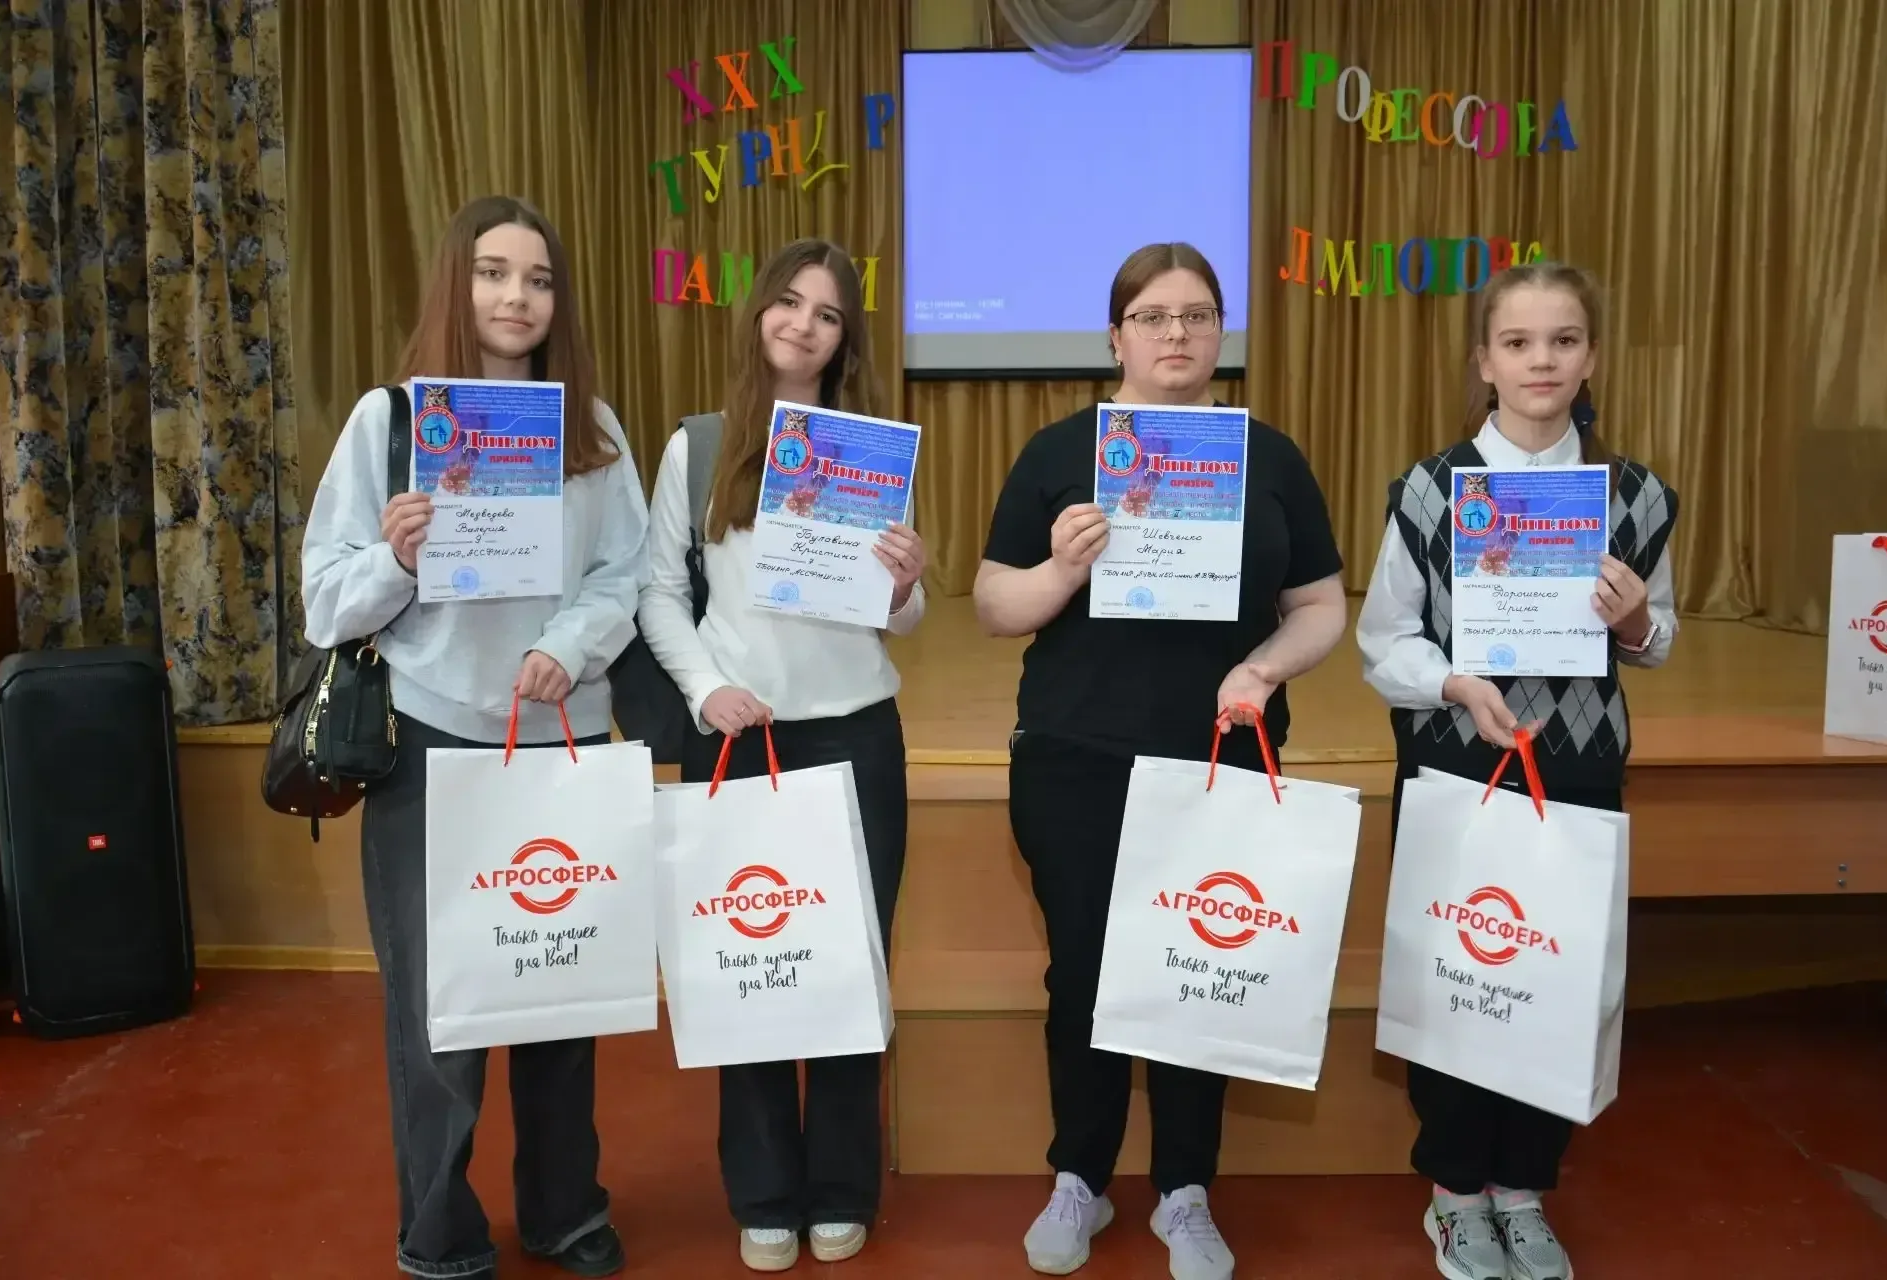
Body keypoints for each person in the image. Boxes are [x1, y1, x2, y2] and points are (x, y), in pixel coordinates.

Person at [973, 242, 1349, 1280]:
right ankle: (1080, 1175)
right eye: (1152, 316)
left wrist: (1263, 669)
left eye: (1196, 315)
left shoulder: (1270, 458)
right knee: (1083, 973)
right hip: (1076, 754)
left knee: (1203, 975)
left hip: (1221, 754)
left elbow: (1322, 604)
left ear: (1220, 331)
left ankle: (1185, 1190)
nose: (1175, 333)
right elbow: (994, 603)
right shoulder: (1059, 451)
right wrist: (1061, 569)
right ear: (1115, 337)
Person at [303, 195, 650, 1280]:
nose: (516, 297)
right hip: (430, 741)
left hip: (560, 739)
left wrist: (568, 645)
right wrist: (396, 559)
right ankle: (440, 1233)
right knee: (436, 1009)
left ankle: (564, 1208)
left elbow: (626, 575)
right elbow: (324, 600)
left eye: (538, 280)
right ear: (457, 285)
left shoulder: (594, 433)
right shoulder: (391, 422)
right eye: (494, 273)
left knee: (559, 986)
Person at [1356, 261, 1680, 1280]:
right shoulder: (1430, 490)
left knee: (1555, 983)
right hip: (1459, 770)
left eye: (1564, 340)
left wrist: (1636, 621)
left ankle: (1525, 1190)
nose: (1543, 360)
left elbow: (1657, 638)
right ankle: (1456, 1195)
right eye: (1519, 342)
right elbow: (1383, 640)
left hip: (1578, 771)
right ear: (1484, 361)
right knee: (1459, 978)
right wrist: (1456, 684)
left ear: (1591, 358)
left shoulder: (1636, 495)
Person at [636, 237, 925, 1273]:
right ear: (758, 311)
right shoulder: (699, 446)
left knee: (849, 966)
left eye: (829, 313)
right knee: (748, 969)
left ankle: (843, 1185)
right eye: (790, 303)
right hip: (740, 741)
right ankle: (762, 1191)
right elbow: (658, 593)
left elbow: (904, 618)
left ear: (847, 340)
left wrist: (905, 584)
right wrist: (704, 689)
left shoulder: (868, 452)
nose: (805, 324)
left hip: (856, 736)